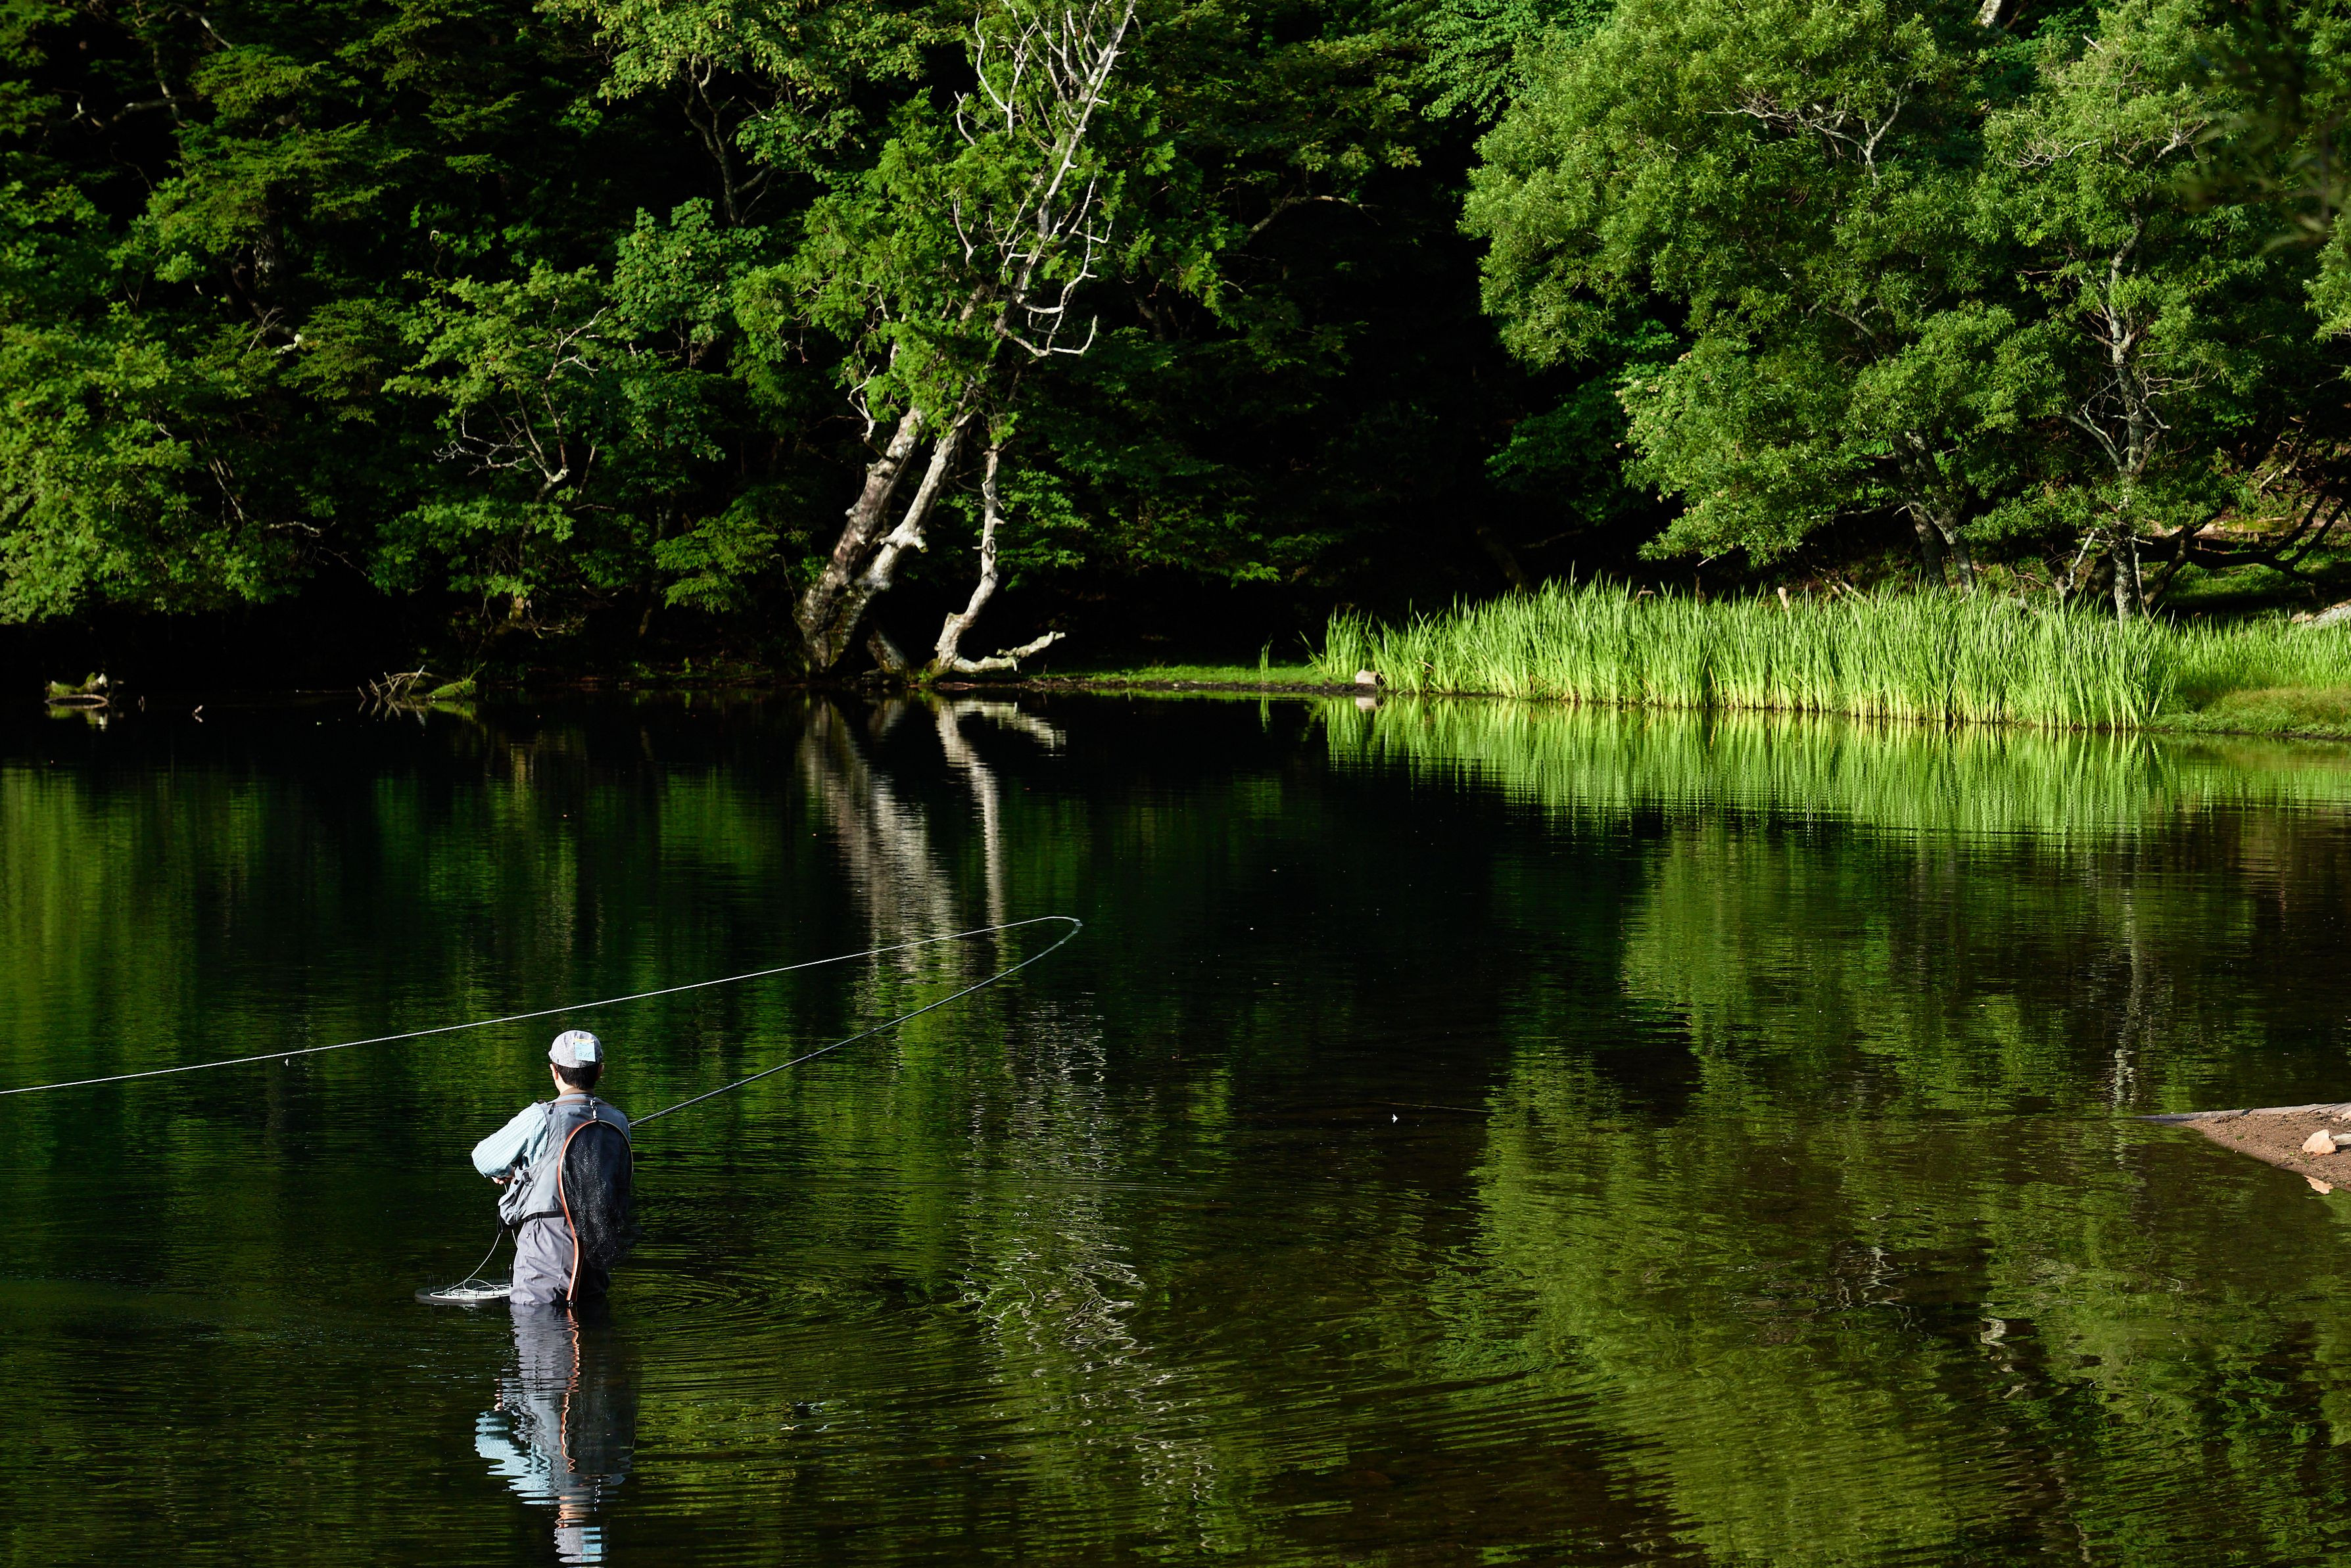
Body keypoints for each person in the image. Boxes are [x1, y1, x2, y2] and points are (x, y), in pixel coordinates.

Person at [473, 1029, 638, 1309]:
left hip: (545, 1250)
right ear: (600, 1072)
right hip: (596, 1249)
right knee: (591, 1319)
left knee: (537, 1325)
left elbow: (484, 1158)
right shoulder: (618, 1120)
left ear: (554, 1071)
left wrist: (509, 1172)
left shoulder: (539, 1118)